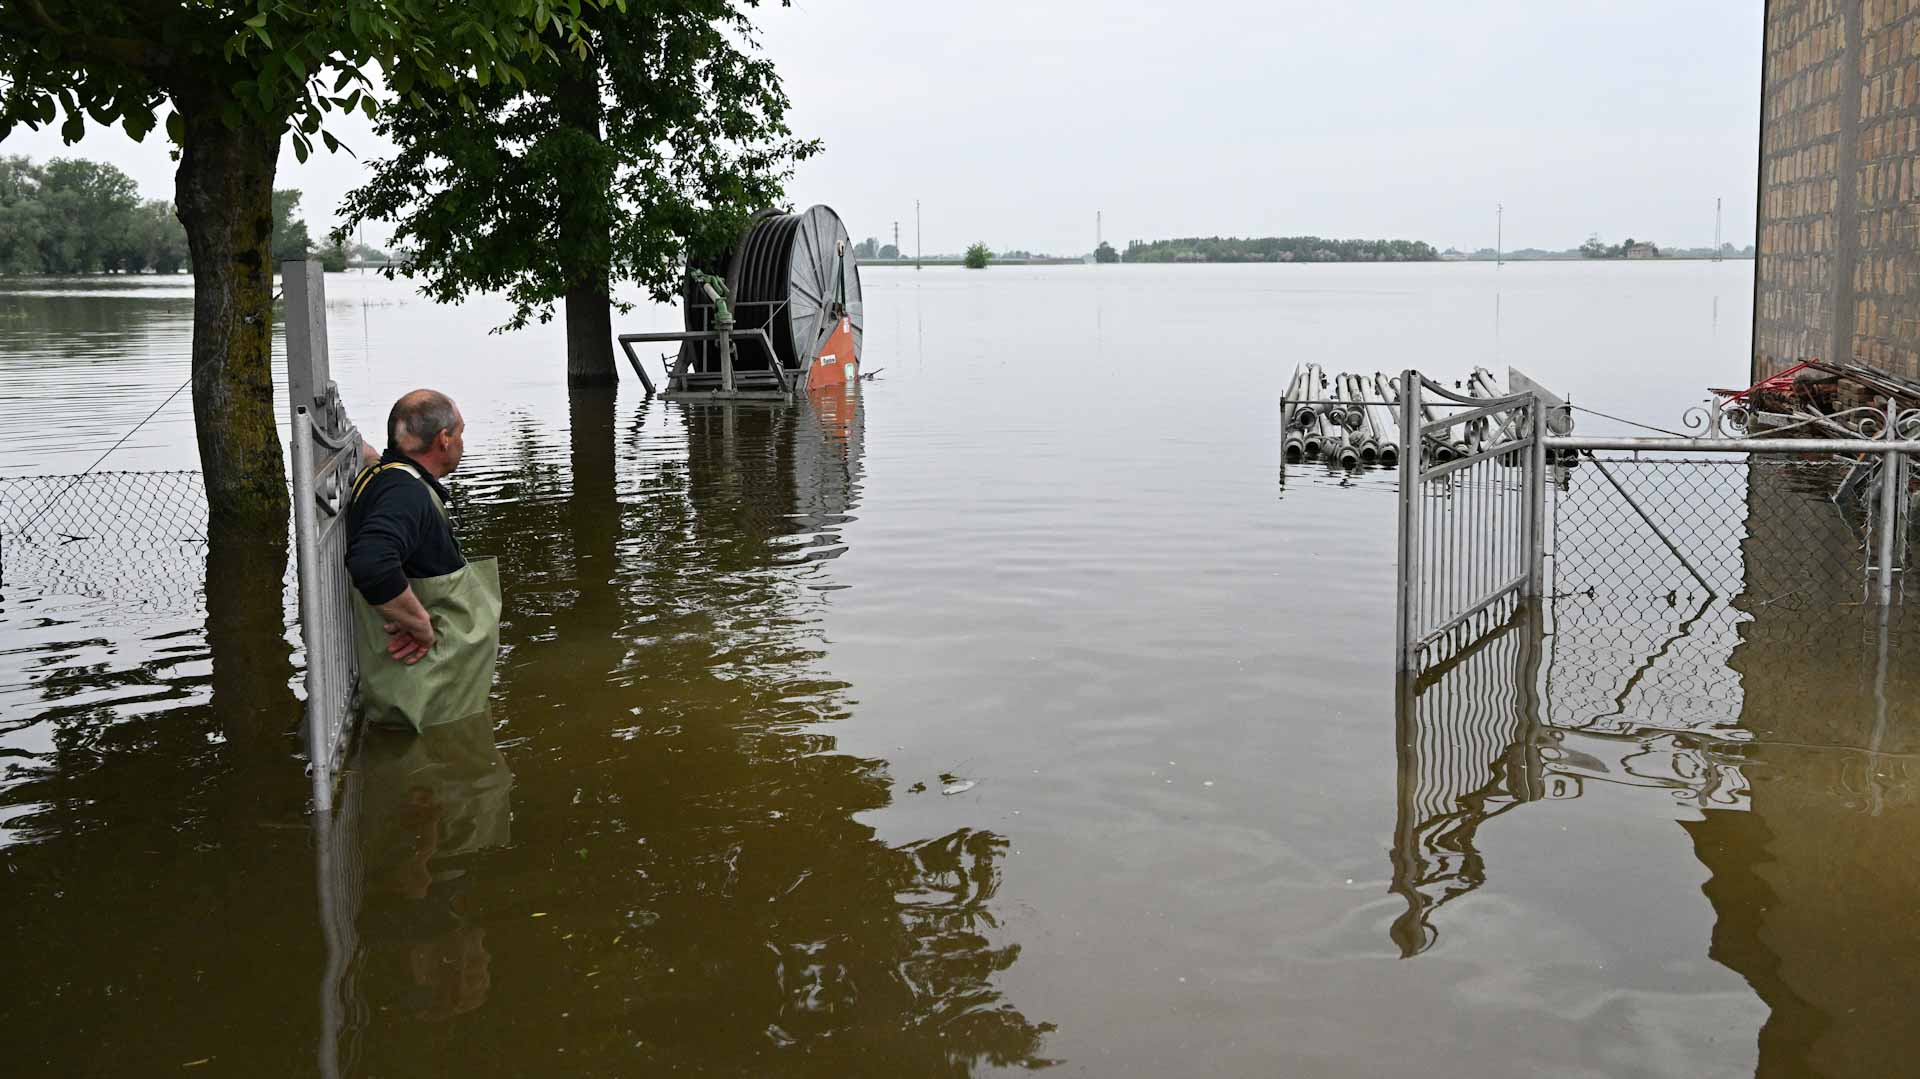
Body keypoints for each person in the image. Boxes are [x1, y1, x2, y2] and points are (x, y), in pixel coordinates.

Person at [345, 389, 502, 731]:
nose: (462, 441)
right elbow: (371, 561)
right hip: (430, 701)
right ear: (444, 440)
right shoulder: (407, 494)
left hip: (432, 694)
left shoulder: (386, 474)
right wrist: (420, 625)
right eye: (460, 432)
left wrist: (364, 452)